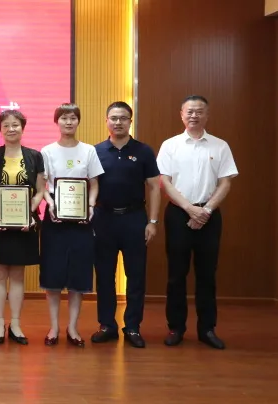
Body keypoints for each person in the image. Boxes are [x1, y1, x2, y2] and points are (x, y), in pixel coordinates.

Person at [156, 95, 237, 350]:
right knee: (176, 275)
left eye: (199, 111)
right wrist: (190, 209)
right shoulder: (170, 145)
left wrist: (206, 210)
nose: (194, 115)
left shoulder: (220, 146)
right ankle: (176, 328)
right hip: (178, 213)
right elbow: (164, 182)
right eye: (189, 111)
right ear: (181, 114)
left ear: (207, 115)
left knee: (207, 275)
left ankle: (207, 329)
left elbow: (226, 182)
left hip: (209, 216)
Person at [90, 101, 160, 348]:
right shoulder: (95, 151)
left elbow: (154, 187)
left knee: (136, 275)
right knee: (104, 276)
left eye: (123, 118)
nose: (118, 122)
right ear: (106, 121)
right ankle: (107, 325)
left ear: (130, 121)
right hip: (103, 219)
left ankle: (132, 327)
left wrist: (152, 221)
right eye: (113, 118)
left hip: (134, 219)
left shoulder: (144, 151)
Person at [40, 103, 103, 347]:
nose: (68, 122)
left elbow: (94, 184)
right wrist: (50, 203)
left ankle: (73, 327)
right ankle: (54, 327)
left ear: (78, 121)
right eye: (64, 118)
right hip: (55, 219)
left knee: (78, 275)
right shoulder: (47, 151)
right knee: (53, 275)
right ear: (57, 121)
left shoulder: (88, 151)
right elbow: (42, 186)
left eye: (73, 118)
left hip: (82, 220)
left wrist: (91, 206)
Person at [0, 109, 45, 346]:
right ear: (0, 129)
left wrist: (29, 213)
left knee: (18, 274)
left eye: (15, 125)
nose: (11, 129)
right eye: (6, 125)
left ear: (22, 128)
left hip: (25, 224)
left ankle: (15, 324)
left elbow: (40, 191)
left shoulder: (35, 156)